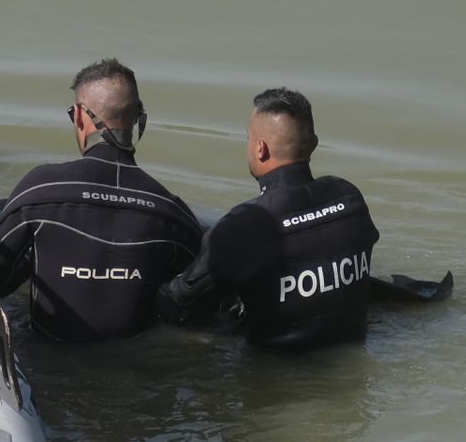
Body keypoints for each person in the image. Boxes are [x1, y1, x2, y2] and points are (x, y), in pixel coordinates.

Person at [0, 59, 204, 341]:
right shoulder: (173, 214)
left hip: (45, 366)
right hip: (136, 373)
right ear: (139, 118)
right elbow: (197, 304)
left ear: (81, 116)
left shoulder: (41, 190)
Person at [156, 87, 380, 351]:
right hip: (351, 348)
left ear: (260, 149)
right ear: (315, 143)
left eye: (249, 139)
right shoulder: (349, 198)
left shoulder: (243, 226)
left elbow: (176, 304)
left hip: (273, 373)